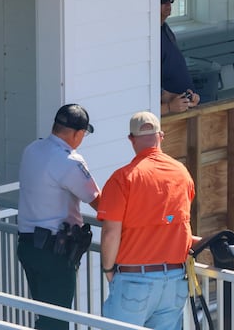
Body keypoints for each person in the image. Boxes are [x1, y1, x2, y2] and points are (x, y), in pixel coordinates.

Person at [98, 111, 195, 329]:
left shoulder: (123, 178)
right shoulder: (182, 172)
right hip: (175, 280)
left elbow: (110, 232)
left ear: (131, 139)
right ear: (161, 136)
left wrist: (108, 270)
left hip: (135, 280)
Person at [17, 103, 100, 330]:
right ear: (77, 133)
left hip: (28, 247)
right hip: (54, 253)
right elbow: (98, 202)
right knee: (56, 323)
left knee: (45, 316)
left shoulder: (32, 149)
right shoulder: (70, 161)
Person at [160, 0, 200, 115]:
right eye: (163, 1)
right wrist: (170, 105)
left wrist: (190, 95)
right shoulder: (149, 38)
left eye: (170, 0)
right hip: (168, 111)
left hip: (182, 104)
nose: (168, 5)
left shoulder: (164, 28)